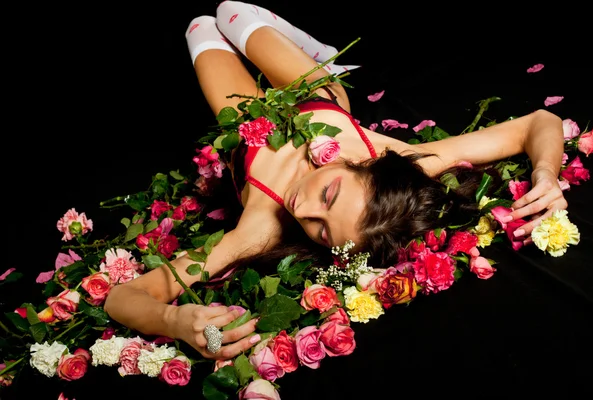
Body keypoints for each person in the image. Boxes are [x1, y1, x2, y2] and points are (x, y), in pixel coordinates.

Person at [104, 0, 567, 362]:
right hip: (311, 93)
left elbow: (123, 297)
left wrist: (172, 319)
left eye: (322, 230)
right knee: (230, 12)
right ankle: (320, 58)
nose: (302, 210)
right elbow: (537, 122)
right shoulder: (402, 159)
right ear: (361, 164)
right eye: (329, 194)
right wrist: (547, 173)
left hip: (247, 122)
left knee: (201, 26)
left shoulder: (257, 230)